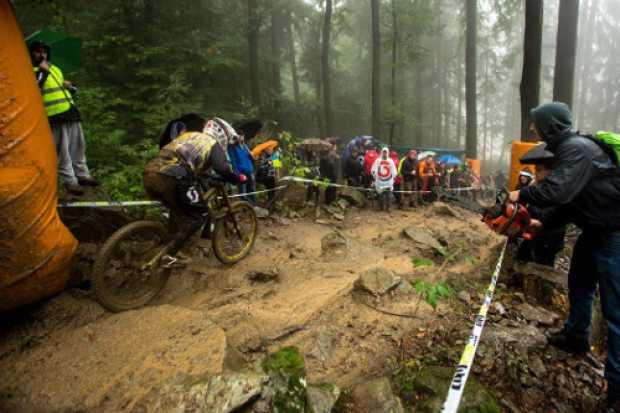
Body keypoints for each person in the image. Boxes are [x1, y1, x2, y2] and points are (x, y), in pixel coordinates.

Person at [509, 102, 620, 411]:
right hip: (593, 232)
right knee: (580, 285)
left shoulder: (577, 148)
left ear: (550, 125)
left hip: (614, 235)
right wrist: (542, 222)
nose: (533, 130)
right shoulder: (567, 151)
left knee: (615, 311)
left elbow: (556, 192)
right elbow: (570, 202)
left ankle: (617, 388)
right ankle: (576, 336)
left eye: (537, 125)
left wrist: (521, 194)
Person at [143, 114, 245, 267]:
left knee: (180, 211)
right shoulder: (211, 142)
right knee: (199, 215)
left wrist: (208, 176)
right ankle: (169, 255)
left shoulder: (189, 136)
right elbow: (222, 168)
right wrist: (237, 178)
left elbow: (189, 161)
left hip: (150, 174)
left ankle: (169, 245)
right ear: (222, 134)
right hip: (174, 177)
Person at [30, 40, 99, 195]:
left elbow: (66, 88)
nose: (42, 54)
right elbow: (34, 88)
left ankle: (82, 175)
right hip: (54, 115)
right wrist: (43, 72)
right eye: (38, 51)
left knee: (79, 146)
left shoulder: (55, 69)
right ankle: (70, 181)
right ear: (32, 54)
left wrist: (71, 86)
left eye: (44, 51)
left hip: (70, 112)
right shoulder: (30, 71)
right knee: (63, 151)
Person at [228, 134, 256, 204]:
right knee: (243, 193)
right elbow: (233, 161)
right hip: (241, 172)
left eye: (242, 136)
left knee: (252, 190)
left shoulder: (246, 146)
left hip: (249, 170)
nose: (241, 138)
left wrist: (251, 155)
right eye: (239, 136)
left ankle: (254, 206)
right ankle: (247, 207)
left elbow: (252, 159)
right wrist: (237, 173)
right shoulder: (232, 148)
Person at [371, 147, 397, 212]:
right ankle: (380, 207)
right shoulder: (378, 160)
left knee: (389, 195)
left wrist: (394, 176)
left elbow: (394, 170)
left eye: (386, 152)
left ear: (387, 153)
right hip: (380, 181)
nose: (385, 154)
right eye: (384, 152)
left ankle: (388, 208)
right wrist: (375, 175)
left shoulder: (390, 161)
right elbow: (374, 169)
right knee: (380, 195)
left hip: (388, 181)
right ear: (382, 152)